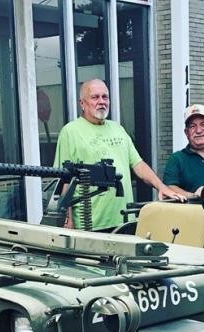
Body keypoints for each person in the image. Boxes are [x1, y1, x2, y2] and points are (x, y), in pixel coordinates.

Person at [54, 79, 184, 230]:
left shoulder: (118, 128)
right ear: (82, 103)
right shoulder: (70, 132)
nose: (101, 101)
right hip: (90, 224)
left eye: (105, 97)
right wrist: (67, 219)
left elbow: (138, 164)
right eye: (95, 97)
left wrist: (161, 187)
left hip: (124, 219)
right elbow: (64, 180)